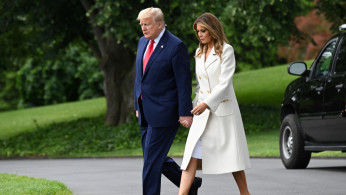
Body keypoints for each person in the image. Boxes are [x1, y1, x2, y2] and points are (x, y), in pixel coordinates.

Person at [178, 13, 251, 195]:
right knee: (191, 155)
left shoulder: (227, 50)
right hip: (202, 112)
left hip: (222, 111)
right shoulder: (198, 52)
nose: (200, 35)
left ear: (213, 30)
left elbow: (224, 84)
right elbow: (200, 86)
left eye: (203, 31)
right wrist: (192, 108)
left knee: (232, 158)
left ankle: (245, 193)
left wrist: (207, 104)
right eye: (197, 32)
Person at [134, 7, 202, 195]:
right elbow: (139, 76)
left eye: (146, 24)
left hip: (165, 113)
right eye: (141, 24)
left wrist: (185, 112)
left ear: (160, 24)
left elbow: (183, 82)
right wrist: (136, 103)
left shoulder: (175, 46)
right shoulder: (142, 42)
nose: (143, 28)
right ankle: (189, 184)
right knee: (155, 157)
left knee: (151, 161)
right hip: (145, 111)